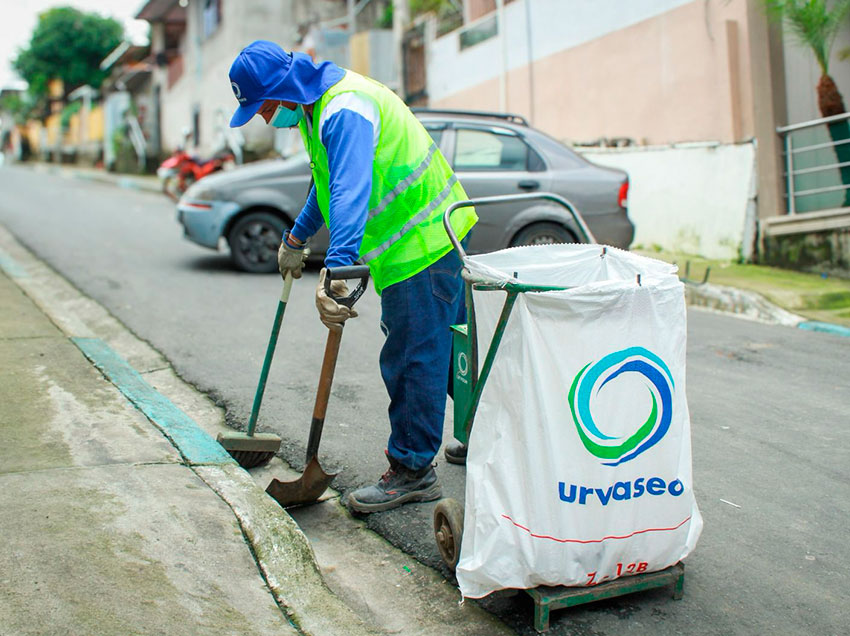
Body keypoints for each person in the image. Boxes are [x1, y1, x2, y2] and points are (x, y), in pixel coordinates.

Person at [228, 41, 477, 513]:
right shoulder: (317, 107)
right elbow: (326, 185)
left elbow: (350, 189)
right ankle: (491, 433)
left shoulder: (343, 109)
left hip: (420, 244)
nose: (262, 119)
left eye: (261, 108)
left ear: (281, 92)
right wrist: (295, 239)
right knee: (453, 353)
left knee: (412, 358)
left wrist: (338, 266)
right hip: (434, 235)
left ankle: (412, 470)